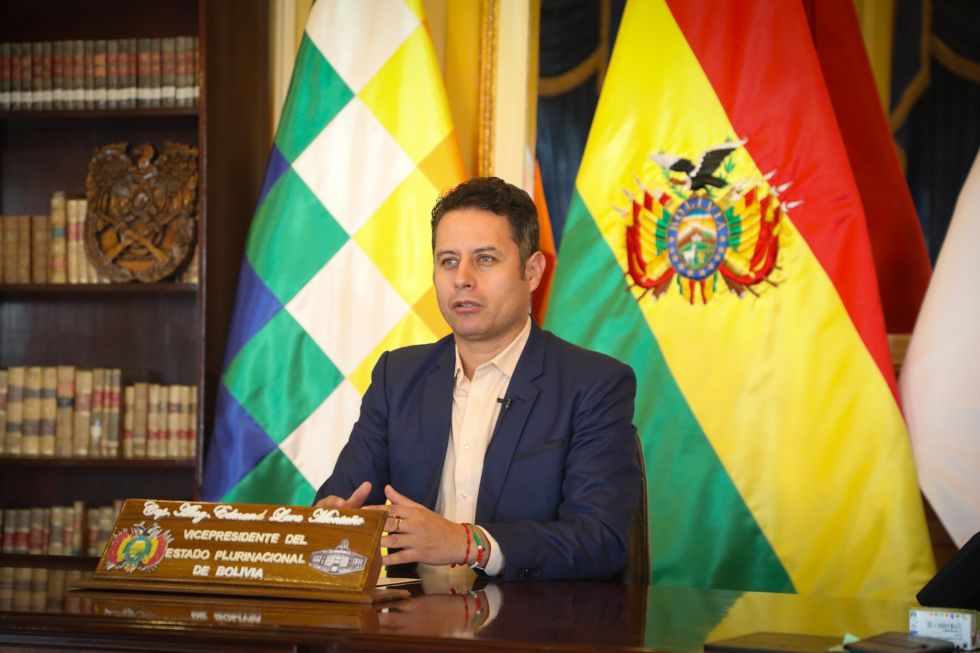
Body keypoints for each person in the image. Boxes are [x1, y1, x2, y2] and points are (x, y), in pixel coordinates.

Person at [315, 176, 640, 581]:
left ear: (532, 271)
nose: (462, 278)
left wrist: (469, 543)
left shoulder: (593, 384)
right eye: (448, 261)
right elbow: (344, 498)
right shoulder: (396, 378)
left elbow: (599, 539)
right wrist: (332, 518)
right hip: (407, 613)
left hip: (527, 617)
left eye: (485, 259)